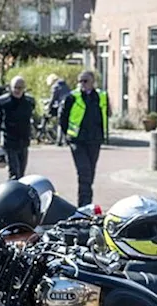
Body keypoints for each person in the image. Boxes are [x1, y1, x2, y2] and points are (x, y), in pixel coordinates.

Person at [59, 70, 107, 206]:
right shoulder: (72, 97)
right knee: (84, 172)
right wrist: (67, 135)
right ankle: (84, 206)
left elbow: (105, 114)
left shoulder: (101, 97)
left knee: (90, 173)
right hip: (77, 141)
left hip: (94, 140)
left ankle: (86, 204)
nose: (82, 84)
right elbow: (63, 118)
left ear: (93, 82)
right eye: (80, 81)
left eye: (85, 81)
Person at [0, 75, 34, 180]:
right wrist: (0, 137)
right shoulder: (2, 102)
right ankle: (12, 193)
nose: (17, 90)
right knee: (14, 172)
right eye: (15, 87)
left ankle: (20, 193)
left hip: (24, 140)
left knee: (21, 171)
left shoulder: (29, 102)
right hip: (9, 140)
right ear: (10, 88)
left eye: (20, 88)